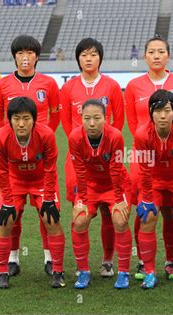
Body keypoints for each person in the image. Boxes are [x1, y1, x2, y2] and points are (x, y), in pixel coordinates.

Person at [0, 34, 60, 277]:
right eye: (20, 53)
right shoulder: (2, 84)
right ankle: (12, 258)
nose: (25, 57)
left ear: (37, 57)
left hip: (40, 160)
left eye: (30, 53)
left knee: (47, 214)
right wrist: (10, 141)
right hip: (13, 163)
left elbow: (55, 114)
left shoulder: (49, 84)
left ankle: (49, 258)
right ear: (14, 57)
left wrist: (42, 139)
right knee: (12, 212)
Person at [125, 35, 173, 281]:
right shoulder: (133, 85)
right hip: (144, 154)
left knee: (170, 211)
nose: (156, 56)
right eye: (151, 52)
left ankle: (171, 261)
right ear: (144, 56)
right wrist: (149, 145)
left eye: (161, 51)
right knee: (144, 208)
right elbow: (132, 122)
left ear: (168, 55)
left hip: (172, 155)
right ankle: (143, 261)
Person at [60, 37, 124, 278]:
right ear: (78, 58)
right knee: (79, 210)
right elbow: (67, 124)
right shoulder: (68, 88)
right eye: (84, 55)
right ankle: (81, 264)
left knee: (109, 212)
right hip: (78, 159)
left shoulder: (112, 86)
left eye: (93, 54)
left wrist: (104, 148)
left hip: (108, 159)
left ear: (100, 58)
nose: (89, 59)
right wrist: (84, 147)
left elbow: (118, 120)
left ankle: (108, 260)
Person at [0, 97, 65, 289]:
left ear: (34, 119)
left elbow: (51, 169)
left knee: (51, 219)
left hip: (42, 180)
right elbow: (0, 172)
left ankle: (57, 270)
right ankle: (3, 272)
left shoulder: (46, 135)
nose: (21, 123)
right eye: (16, 118)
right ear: (10, 120)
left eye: (26, 118)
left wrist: (49, 198)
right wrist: (7, 201)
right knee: (6, 220)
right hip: (14, 181)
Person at [134, 89, 173, 290]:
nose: (163, 116)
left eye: (168, 110)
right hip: (153, 179)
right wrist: (145, 197)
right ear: (151, 113)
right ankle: (150, 271)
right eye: (158, 111)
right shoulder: (142, 134)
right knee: (148, 216)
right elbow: (143, 170)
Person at [69, 99, 132, 289]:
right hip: (89, 186)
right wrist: (83, 202)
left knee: (119, 220)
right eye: (87, 118)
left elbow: (116, 169)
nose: (92, 123)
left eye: (97, 118)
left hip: (115, 185)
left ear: (106, 118)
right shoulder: (75, 137)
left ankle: (123, 272)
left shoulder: (115, 136)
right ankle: (84, 271)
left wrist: (120, 200)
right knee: (79, 220)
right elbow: (79, 172)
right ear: (81, 119)